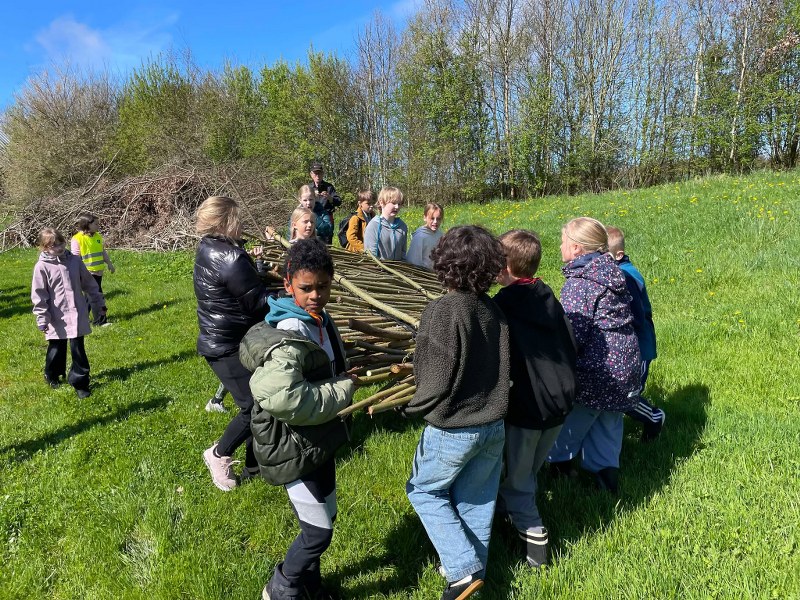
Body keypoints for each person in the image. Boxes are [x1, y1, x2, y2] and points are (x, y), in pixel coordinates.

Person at [238, 238, 356, 600]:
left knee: (326, 517)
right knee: (317, 532)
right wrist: (344, 389)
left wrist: (343, 374)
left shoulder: (320, 319)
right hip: (292, 444)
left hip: (318, 438)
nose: (315, 295)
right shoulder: (291, 328)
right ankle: (281, 589)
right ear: (288, 285)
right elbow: (284, 398)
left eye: (323, 286)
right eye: (306, 288)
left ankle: (310, 586)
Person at [400, 225, 510, 600]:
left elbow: (434, 376)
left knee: (424, 492)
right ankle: (470, 578)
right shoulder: (492, 308)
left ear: (444, 262)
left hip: (454, 427)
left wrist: (411, 407)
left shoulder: (444, 309)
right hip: (493, 424)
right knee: (476, 502)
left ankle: (462, 571)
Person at [493, 229, 577, 568]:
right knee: (527, 470)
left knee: (518, 479)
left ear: (506, 265)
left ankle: (535, 542)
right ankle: (504, 516)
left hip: (528, 407)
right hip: (559, 404)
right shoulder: (547, 296)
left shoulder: (504, 305)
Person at [547, 217, 640, 494]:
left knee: (571, 422)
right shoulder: (613, 272)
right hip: (625, 365)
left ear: (577, 248)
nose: (560, 246)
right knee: (608, 423)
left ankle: (559, 470)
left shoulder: (580, 284)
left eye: (563, 241)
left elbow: (572, 335)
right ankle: (607, 483)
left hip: (599, 370)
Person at [194, 196, 273, 492]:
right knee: (255, 406)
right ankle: (219, 453)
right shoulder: (231, 256)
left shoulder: (208, 248)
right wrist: (291, 295)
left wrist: (257, 269)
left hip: (224, 339)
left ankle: (253, 465)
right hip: (227, 344)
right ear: (225, 222)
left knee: (257, 399)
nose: (241, 224)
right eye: (237, 219)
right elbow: (258, 302)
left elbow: (241, 286)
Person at [32, 227, 106, 399]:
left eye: (61, 243)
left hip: (77, 313)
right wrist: (42, 317)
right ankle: (52, 373)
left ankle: (80, 382)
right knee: (56, 348)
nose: (59, 248)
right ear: (44, 247)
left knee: (78, 349)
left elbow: (90, 284)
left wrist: (99, 303)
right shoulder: (42, 267)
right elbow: (39, 295)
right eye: (53, 246)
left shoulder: (74, 261)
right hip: (55, 316)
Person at [606, 226, 664, 441]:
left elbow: (637, 318)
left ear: (618, 255)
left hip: (639, 348)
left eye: (604, 254)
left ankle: (654, 417)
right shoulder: (619, 273)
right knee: (620, 394)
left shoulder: (626, 277)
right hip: (630, 347)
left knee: (627, 395)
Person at [71, 212, 115, 326]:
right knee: (97, 297)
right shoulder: (77, 239)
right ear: (87, 224)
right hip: (87, 273)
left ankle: (81, 319)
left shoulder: (97, 236)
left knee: (89, 298)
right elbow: (75, 258)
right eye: (95, 224)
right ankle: (100, 321)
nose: (98, 226)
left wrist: (109, 263)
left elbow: (102, 251)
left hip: (98, 272)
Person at [363, 186, 408, 260]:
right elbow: (370, 256)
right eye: (393, 203)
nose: (397, 207)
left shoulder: (402, 226)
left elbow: (403, 254)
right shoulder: (373, 226)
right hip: (379, 267)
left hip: (398, 267)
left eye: (399, 204)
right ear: (381, 202)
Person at [309, 163, 341, 244]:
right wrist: (313, 197)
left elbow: (339, 202)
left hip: (327, 218)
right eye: (315, 173)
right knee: (312, 242)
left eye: (319, 173)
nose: (317, 176)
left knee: (327, 242)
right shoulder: (309, 188)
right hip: (312, 218)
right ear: (311, 174)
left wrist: (330, 198)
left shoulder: (329, 187)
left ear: (323, 174)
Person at [406, 202, 444, 269]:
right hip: (423, 273)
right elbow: (413, 261)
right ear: (425, 218)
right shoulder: (419, 237)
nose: (435, 222)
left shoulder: (440, 235)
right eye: (432, 218)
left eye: (438, 219)